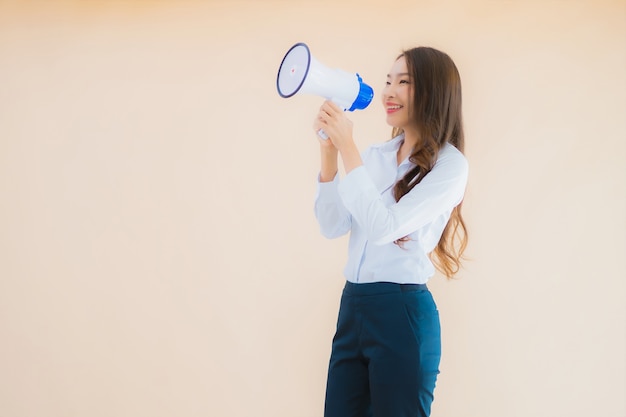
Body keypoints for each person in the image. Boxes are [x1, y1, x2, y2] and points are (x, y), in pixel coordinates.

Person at [313, 46, 469, 417]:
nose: (388, 91)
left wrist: (348, 146)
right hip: (353, 308)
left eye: (403, 82)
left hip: (401, 313)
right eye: (387, 81)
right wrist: (329, 153)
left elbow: (385, 229)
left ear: (433, 91)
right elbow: (332, 224)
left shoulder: (451, 166)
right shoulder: (375, 156)